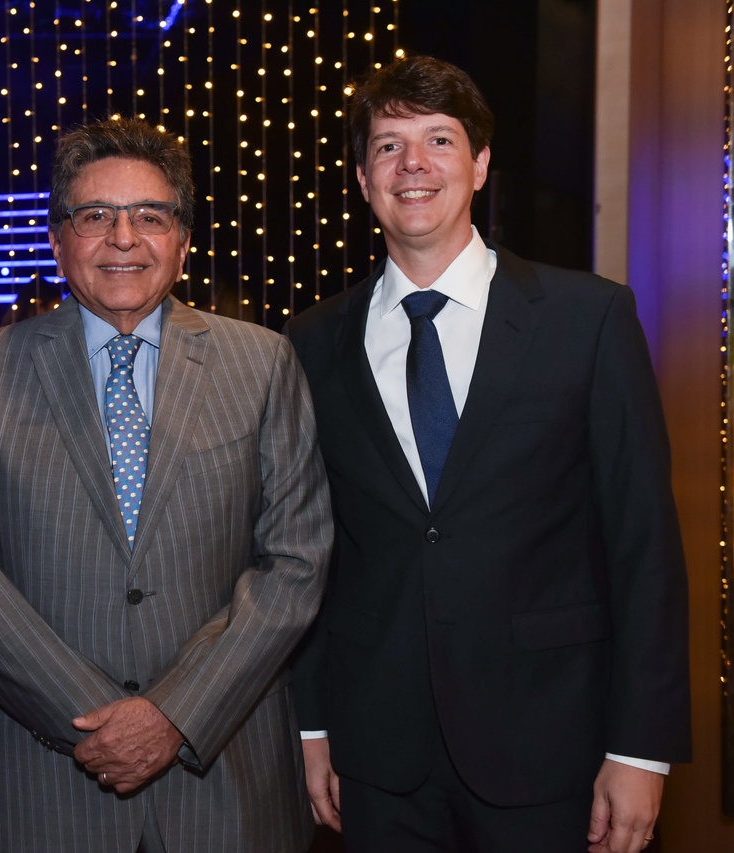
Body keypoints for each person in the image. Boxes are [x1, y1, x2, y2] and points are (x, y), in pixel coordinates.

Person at [284, 55, 690, 853]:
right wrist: (312, 724)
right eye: (389, 145)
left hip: (551, 744)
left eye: (439, 139)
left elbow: (643, 544)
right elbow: (310, 550)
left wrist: (640, 746)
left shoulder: (589, 318)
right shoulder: (310, 340)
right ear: (365, 178)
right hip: (377, 752)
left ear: (479, 164)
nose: (414, 164)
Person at [0, 117, 333, 853]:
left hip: (226, 782)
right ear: (57, 239)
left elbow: (296, 560)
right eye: (95, 216)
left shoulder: (263, 362)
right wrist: (98, 719)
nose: (123, 238)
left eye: (150, 216)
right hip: (47, 781)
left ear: (181, 238)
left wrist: (173, 714)